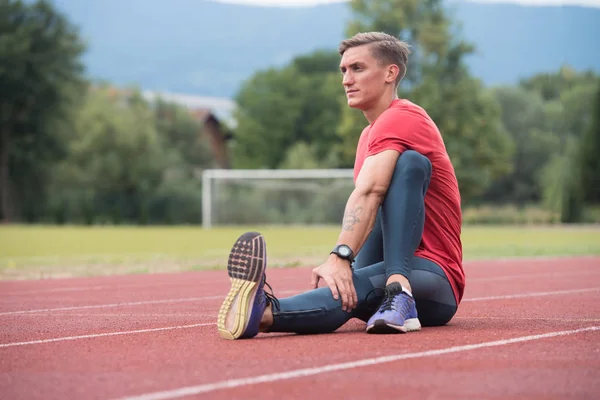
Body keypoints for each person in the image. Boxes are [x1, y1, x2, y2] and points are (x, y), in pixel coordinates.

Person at [216, 32, 464, 340]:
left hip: (435, 278)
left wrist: (340, 257)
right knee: (348, 287)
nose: (347, 79)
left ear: (390, 73)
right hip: (378, 264)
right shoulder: (367, 137)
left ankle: (266, 313)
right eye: (343, 70)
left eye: (357, 68)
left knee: (411, 163)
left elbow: (370, 192)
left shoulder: (405, 116)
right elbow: (368, 207)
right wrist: (342, 268)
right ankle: (269, 312)